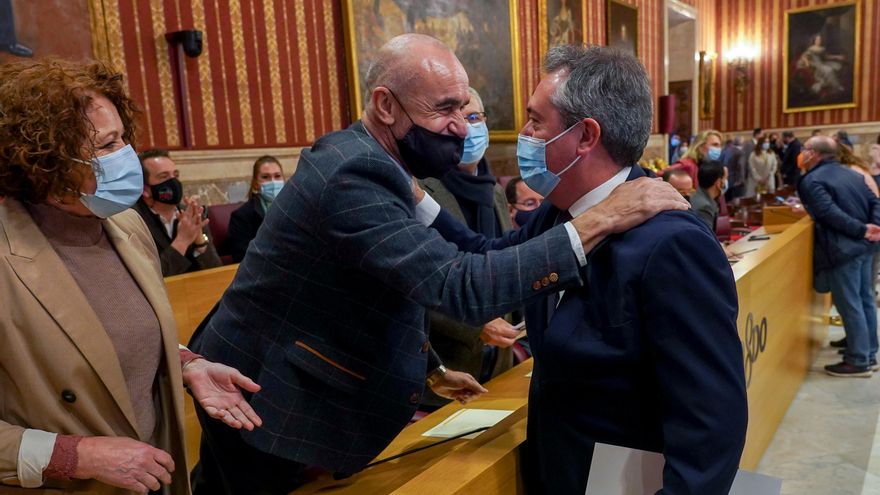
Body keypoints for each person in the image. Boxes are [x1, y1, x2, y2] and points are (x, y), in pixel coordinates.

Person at [187, 34, 686, 494]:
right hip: (268, 403)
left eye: (465, 108)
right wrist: (600, 218)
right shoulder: (353, 173)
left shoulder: (379, 164)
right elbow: (456, 285)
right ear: (386, 105)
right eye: (445, 109)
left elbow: (380, 281)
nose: (461, 126)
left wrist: (429, 367)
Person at [429, 44, 747, 494]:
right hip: (561, 468)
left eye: (537, 121)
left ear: (585, 136)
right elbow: (489, 257)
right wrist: (411, 197)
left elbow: (712, 419)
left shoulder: (673, 243)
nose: (523, 133)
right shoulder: (558, 214)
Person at [0, 58, 262, 494]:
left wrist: (187, 365)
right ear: (48, 161)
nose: (127, 155)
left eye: (123, 137)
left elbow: (112, 334)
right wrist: (75, 455)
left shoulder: (125, 224)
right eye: (107, 144)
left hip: (153, 476)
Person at [417, 87, 518, 405]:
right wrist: (474, 324)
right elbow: (415, 282)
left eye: (474, 117)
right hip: (444, 370)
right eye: (456, 117)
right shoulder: (420, 192)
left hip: (498, 362)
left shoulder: (495, 191)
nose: (467, 127)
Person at [798, 136, 880, 377]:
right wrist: (871, 228)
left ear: (813, 153)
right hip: (865, 246)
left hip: (842, 249)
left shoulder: (811, 180)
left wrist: (863, 229)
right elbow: (875, 201)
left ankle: (858, 361)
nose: (801, 153)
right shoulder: (852, 173)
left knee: (850, 303)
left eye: (804, 149)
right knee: (865, 299)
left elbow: (827, 213)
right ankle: (869, 352)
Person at [133, 149, 222, 276]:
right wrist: (182, 241)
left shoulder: (191, 214)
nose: (174, 182)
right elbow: (151, 278)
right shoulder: (133, 221)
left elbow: (216, 273)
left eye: (175, 175)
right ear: (145, 190)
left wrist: (199, 241)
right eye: (164, 177)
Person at [227, 155, 285, 262]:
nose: (273, 182)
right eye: (265, 177)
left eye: (277, 176)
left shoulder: (295, 208)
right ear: (255, 183)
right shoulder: (241, 216)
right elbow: (241, 256)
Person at [689, 161, 727, 231]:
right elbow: (706, 238)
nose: (725, 182)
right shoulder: (705, 207)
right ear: (718, 183)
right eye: (725, 179)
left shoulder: (697, 196)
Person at [722, 136, 746, 201]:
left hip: (727, 179)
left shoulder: (725, 150)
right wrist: (741, 180)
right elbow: (741, 166)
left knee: (727, 200)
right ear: (742, 143)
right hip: (737, 181)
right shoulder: (740, 153)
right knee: (737, 201)